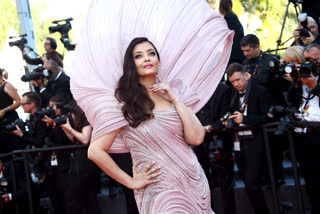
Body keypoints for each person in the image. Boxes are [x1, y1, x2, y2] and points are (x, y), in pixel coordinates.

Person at [87, 37, 215, 213]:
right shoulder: (123, 103)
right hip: (157, 190)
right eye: (139, 56)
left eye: (151, 53)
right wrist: (131, 181)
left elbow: (197, 138)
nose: (147, 58)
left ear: (158, 60)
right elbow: (95, 151)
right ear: (131, 64)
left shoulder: (175, 92)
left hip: (193, 182)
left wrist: (175, 99)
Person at [226, 63, 271, 214]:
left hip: (256, 141)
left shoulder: (260, 91)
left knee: (252, 183)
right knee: (247, 182)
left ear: (246, 75)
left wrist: (245, 119)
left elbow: (267, 118)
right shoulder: (233, 95)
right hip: (239, 141)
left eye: (238, 80)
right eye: (232, 82)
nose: (236, 84)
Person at [285, 44, 320, 214]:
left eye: (315, 60)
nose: (311, 64)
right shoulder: (303, 77)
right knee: (311, 182)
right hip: (305, 137)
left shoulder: (314, 80)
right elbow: (291, 102)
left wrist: (316, 86)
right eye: (307, 61)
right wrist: (297, 82)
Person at [196, 82, 236, 214]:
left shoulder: (223, 89)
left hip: (220, 141)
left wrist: (209, 127)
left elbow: (226, 116)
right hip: (200, 143)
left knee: (225, 183)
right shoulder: (193, 89)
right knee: (203, 183)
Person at [0, 68, 22, 154]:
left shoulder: (6, 85)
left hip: (8, 120)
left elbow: (19, 101)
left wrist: (5, 110)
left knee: (13, 147)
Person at [219, 0, 245, 66]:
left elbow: (235, 34)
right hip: (236, 51)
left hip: (234, 52)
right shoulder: (232, 16)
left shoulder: (229, 17)